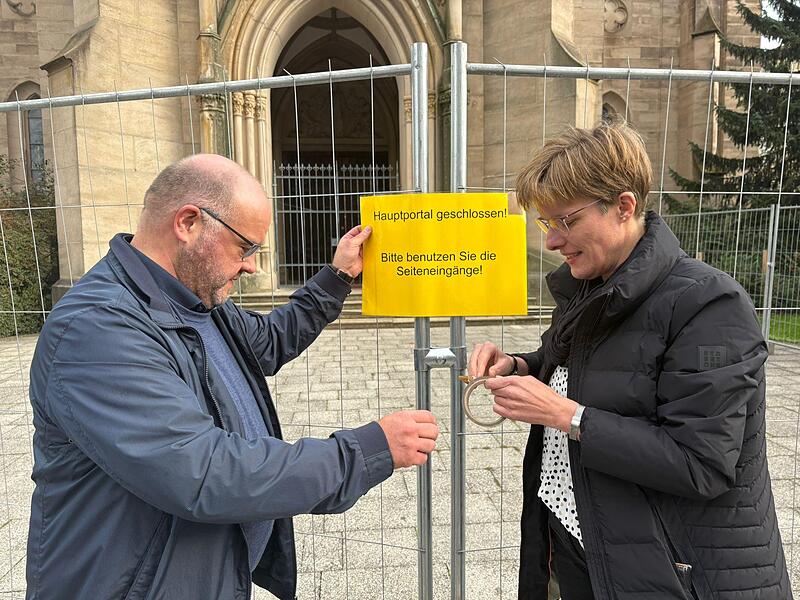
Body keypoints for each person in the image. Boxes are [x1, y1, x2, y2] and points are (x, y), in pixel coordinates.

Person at [25, 154, 439, 600]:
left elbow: (270, 338)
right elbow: (202, 472)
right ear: (188, 222)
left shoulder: (194, 301)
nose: (252, 267)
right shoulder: (97, 327)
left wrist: (337, 277)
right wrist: (365, 451)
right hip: (132, 585)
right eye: (245, 249)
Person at [468, 123, 791, 599]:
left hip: (669, 566)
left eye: (567, 221)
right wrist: (519, 366)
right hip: (582, 537)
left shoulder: (708, 304)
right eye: (546, 223)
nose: (553, 241)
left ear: (624, 206)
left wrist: (566, 415)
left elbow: (701, 463)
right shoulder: (590, 285)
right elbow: (582, 369)